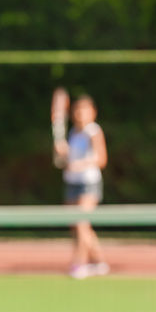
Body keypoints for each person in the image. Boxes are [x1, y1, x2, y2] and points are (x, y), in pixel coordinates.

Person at [54, 94, 109, 279]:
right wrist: (62, 155)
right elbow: (65, 161)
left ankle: (79, 264)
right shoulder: (72, 133)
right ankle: (100, 262)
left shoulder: (94, 132)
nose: (80, 114)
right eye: (77, 110)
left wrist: (80, 164)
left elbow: (101, 159)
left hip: (89, 184)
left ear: (93, 113)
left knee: (81, 223)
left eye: (84, 110)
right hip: (72, 183)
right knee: (77, 225)